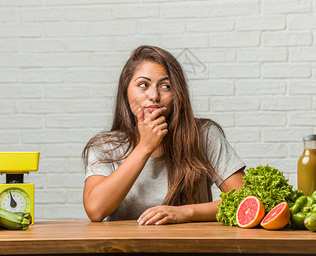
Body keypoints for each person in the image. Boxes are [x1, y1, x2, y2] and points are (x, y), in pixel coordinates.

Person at [82, 45, 245, 225]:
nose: (154, 96)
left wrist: (187, 212)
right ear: (125, 90)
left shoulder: (204, 135)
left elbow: (243, 200)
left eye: (166, 86)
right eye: (143, 85)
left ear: (177, 94)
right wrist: (145, 147)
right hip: (125, 250)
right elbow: (95, 210)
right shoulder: (105, 145)